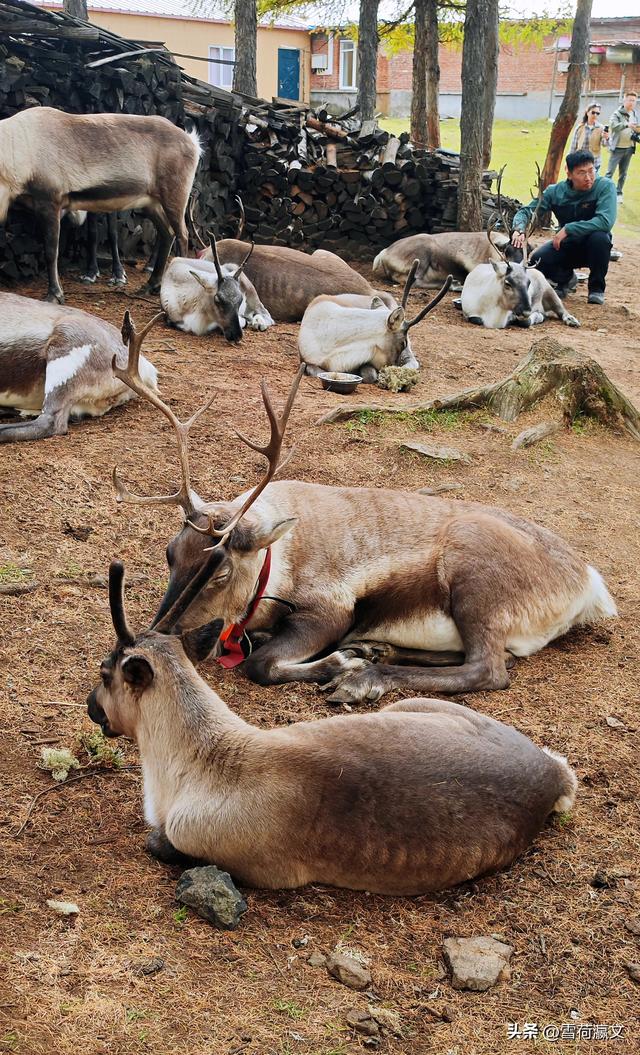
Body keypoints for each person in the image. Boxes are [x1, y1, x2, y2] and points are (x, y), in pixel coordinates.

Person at [511, 149, 617, 306]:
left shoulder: (605, 186)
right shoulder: (555, 192)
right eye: (581, 173)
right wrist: (519, 229)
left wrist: (568, 229)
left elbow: (605, 221)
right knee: (537, 261)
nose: (588, 178)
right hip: (566, 245)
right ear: (569, 174)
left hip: (594, 246)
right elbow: (527, 211)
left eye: (591, 171)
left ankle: (596, 289)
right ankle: (565, 279)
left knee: (600, 238)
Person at [604, 90, 639, 201]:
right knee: (610, 172)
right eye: (630, 100)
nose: (632, 103)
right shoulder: (617, 113)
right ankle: (604, 193)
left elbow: (636, 129)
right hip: (617, 148)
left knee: (623, 173)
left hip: (629, 148)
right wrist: (627, 124)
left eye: (634, 101)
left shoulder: (635, 114)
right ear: (624, 100)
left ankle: (619, 193)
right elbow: (613, 126)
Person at [570, 103, 608, 170]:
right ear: (587, 113)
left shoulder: (601, 128)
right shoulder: (580, 127)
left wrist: (606, 137)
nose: (595, 115)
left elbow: (605, 145)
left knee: (593, 180)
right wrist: (569, 161)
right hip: (580, 161)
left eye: (597, 113)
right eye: (593, 112)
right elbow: (573, 146)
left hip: (595, 162)